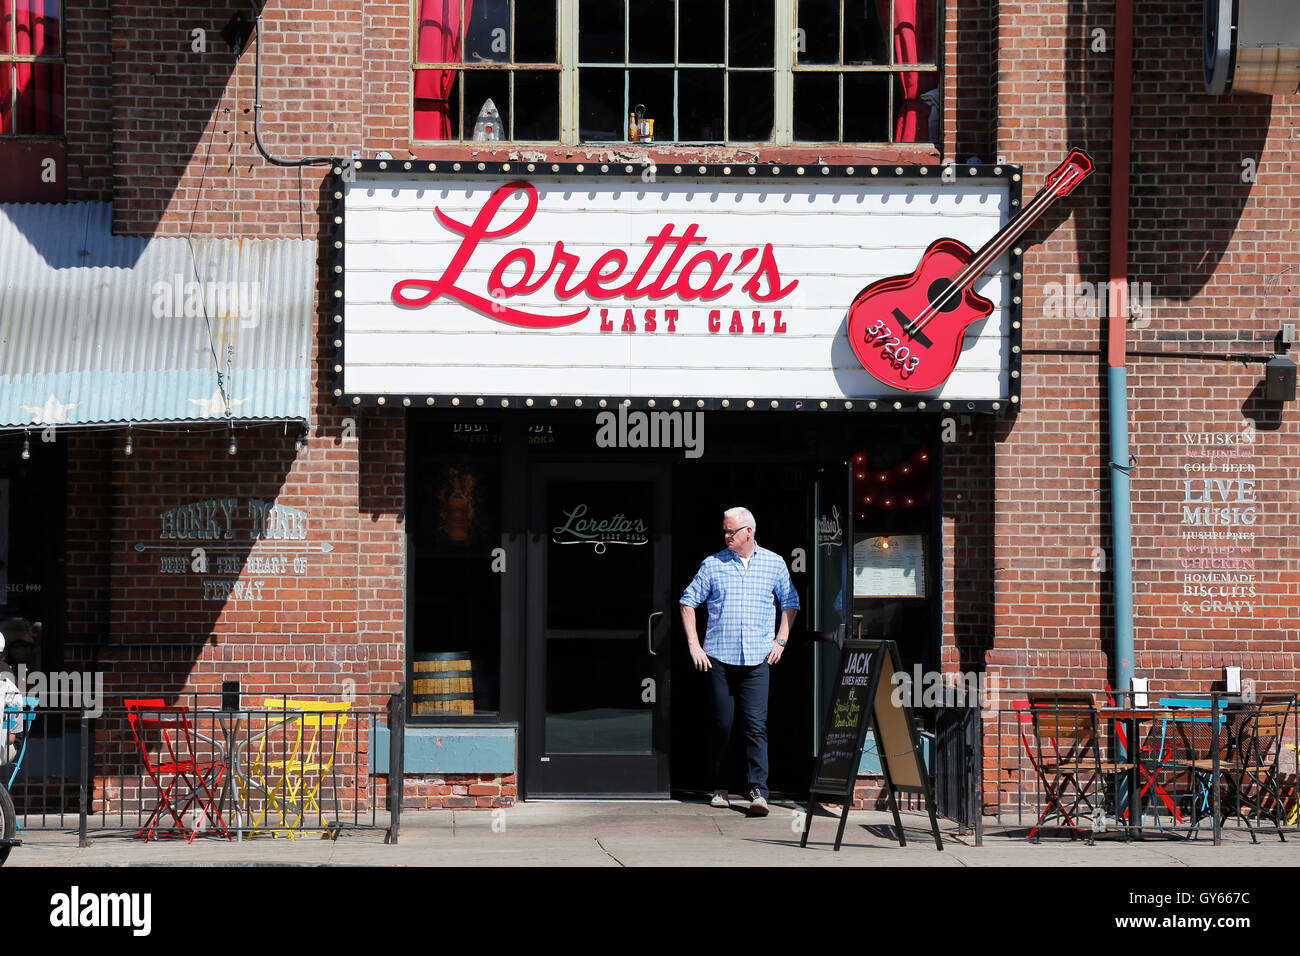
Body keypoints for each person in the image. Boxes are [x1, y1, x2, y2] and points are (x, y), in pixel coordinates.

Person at [680, 506, 799, 816]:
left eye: (731, 531)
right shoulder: (713, 564)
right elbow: (687, 602)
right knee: (722, 724)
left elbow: (791, 603)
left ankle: (758, 791)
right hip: (719, 658)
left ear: (749, 532)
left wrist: (781, 641)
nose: (726, 536)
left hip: (757, 659)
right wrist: (694, 645)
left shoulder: (773, 563)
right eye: (725, 531)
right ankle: (720, 787)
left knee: (755, 726)